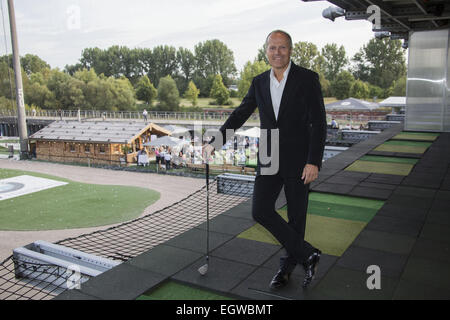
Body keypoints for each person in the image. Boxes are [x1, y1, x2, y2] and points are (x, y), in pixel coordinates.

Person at [204, 30, 326, 289]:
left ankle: (286, 268)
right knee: (260, 210)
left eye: (282, 47)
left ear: (290, 50)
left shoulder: (307, 79)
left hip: (299, 158)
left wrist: (313, 160)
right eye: (272, 47)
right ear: (266, 51)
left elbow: (319, 122)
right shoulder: (259, 82)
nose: (277, 52)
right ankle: (308, 255)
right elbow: (240, 114)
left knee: (296, 218)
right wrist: (215, 141)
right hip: (269, 154)